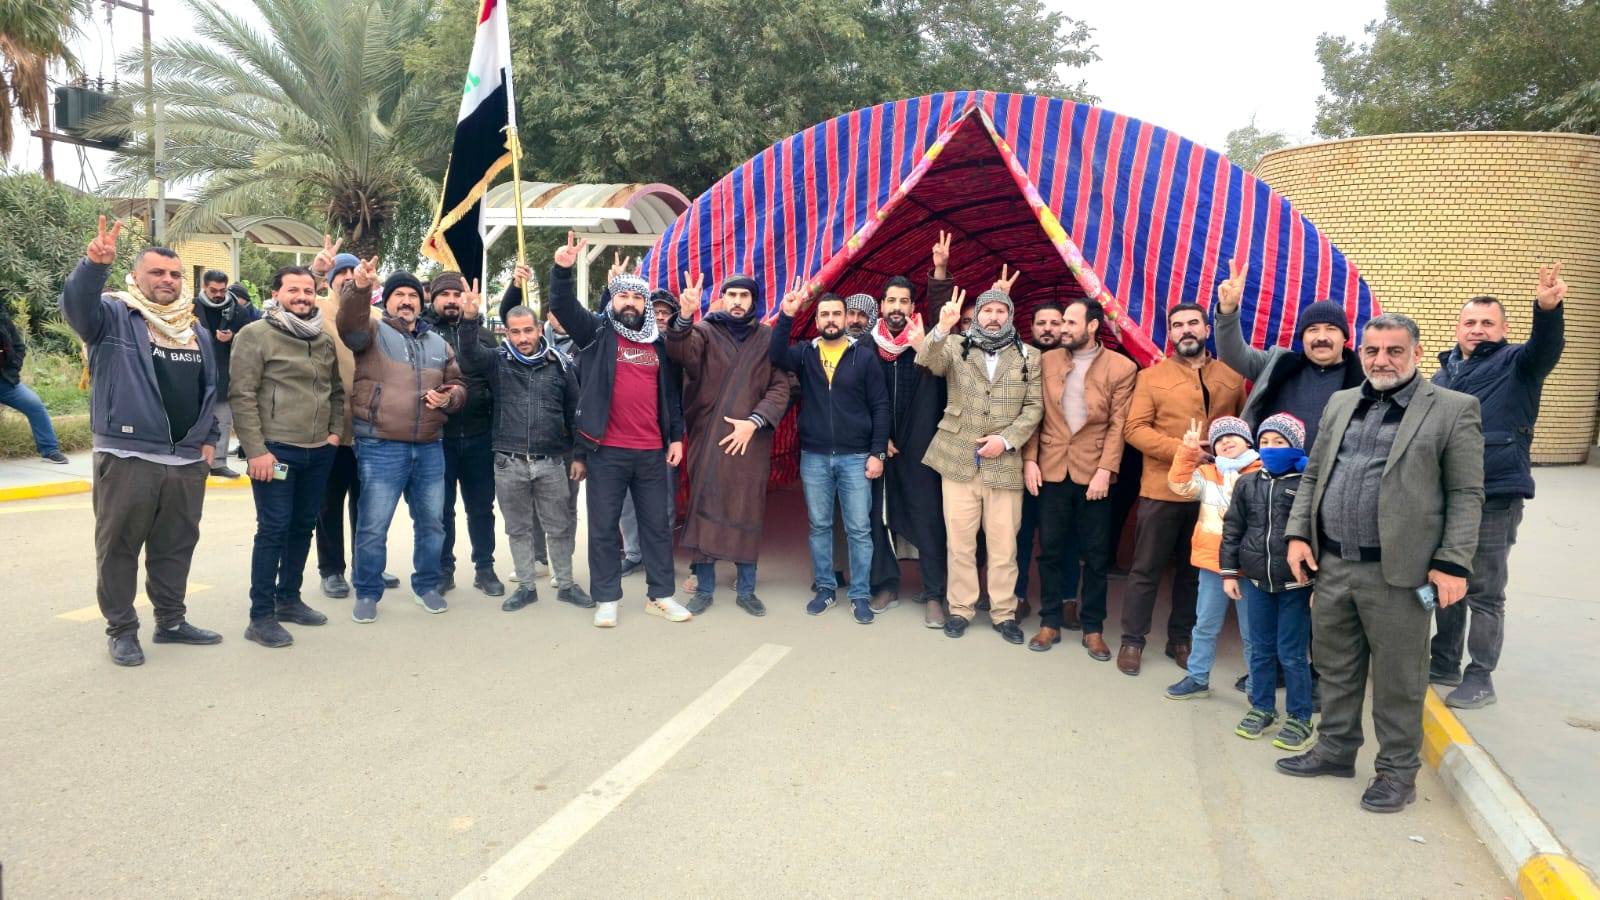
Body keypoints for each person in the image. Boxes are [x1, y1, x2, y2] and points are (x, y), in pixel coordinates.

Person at [1277, 312, 1483, 814]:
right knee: (1335, 666)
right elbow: (1315, 474)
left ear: (1416, 352)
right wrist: (1298, 534)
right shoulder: (1342, 401)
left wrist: (1453, 562)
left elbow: (1466, 492)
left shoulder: (1453, 409)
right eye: (1372, 351)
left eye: (1394, 351)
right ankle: (1335, 749)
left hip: (1401, 574)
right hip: (1332, 564)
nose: (1382, 360)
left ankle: (1396, 771)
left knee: (1399, 678)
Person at [60, 217, 224, 666]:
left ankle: (171, 622)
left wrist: (209, 439)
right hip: (127, 455)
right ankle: (122, 630)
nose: (167, 280)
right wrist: (94, 266)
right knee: (118, 548)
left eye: (174, 274)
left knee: (175, 547)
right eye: (157, 272)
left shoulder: (195, 331)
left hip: (185, 462)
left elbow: (208, 390)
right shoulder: (113, 315)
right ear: (136, 276)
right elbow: (75, 307)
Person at [1428, 266, 1566, 709]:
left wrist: (1547, 310)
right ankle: (1444, 661)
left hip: (1496, 494)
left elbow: (1546, 347)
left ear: (1504, 329)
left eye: (1488, 322)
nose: (1478, 329)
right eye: (1470, 322)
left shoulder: (1518, 364)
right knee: (1447, 580)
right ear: (1458, 328)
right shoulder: (1443, 375)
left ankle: (1480, 677)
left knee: (1484, 590)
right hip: (1447, 496)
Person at [547, 233, 689, 628]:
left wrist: (676, 437)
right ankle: (606, 597)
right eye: (623, 296)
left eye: (637, 298)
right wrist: (562, 269)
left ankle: (660, 595)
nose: (630, 303)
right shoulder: (596, 334)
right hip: (606, 451)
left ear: (645, 305)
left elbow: (670, 396)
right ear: (612, 301)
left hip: (651, 451)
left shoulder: (657, 344)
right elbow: (562, 305)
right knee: (604, 528)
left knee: (657, 527)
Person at [336, 255, 467, 623]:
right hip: (381, 445)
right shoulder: (371, 332)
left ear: (420, 302)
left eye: (412, 295)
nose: (406, 301)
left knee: (432, 523)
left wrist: (449, 398)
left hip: (430, 446)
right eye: (399, 295)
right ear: (387, 301)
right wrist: (360, 289)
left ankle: (426, 585)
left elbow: (458, 384)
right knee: (373, 525)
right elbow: (349, 324)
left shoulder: (438, 344)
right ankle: (367, 591)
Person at [1118, 302, 1245, 675]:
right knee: (1146, 569)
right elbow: (1134, 429)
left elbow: (1241, 427)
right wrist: (1183, 451)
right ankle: (1132, 640)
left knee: (1194, 572)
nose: (1185, 330)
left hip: (1212, 494)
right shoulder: (1151, 377)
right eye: (1177, 325)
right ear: (1170, 333)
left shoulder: (1231, 377)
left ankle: (1180, 639)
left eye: (1193, 323)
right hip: (1162, 489)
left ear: (1207, 329)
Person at [917, 280, 1044, 642]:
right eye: (987, 310)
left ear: (1010, 315)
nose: (993, 317)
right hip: (958, 459)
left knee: (1004, 545)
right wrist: (942, 327)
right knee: (960, 543)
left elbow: (1034, 407)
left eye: (1000, 310)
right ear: (976, 316)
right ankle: (960, 609)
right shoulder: (955, 345)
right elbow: (926, 360)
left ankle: (1004, 613)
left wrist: (1006, 440)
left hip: (1004, 464)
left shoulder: (1029, 355)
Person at [228, 265, 344, 648]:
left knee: (303, 526)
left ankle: (289, 599)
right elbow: (242, 395)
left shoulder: (322, 339)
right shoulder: (255, 334)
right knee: (273, 529)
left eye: (308, 290)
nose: (302, 297)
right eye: (293, 290)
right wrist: (255, 451)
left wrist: (334, 433)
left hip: (318, 452)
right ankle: (260, 616)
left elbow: (336, 391)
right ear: (276, 293)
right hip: (275, 452)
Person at [455, 284, 589, 612]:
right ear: (506, 333)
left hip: (552, 461)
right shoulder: (497, 362)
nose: (522, 338)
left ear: (539, 329)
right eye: (515, 332)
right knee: (517, 528)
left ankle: (566, 584)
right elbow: (469, 354)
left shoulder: (560, 364)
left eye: (528, 330)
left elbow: (575, 412)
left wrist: (579, 455)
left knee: (559, 526)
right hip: (509, 461)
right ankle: (526, 586)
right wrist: (469, 318)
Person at [665, 273, 792, 616]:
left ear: (754, 301)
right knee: (704, 507)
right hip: (708, 437)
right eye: (731, 294)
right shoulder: (704, 331)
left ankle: (746, 589)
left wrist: (754, 422)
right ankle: (704, 588)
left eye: (744, 295)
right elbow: (680, 352)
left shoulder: (767, 337)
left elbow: (782, 385)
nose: (737, 301)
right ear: (721, 298)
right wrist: (684, 316)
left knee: (747, 508)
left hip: (751, 440)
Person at [1023, 296, 1137, 658]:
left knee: (1096, 555)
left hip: (1094, 473)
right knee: (1050, 551)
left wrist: (1106, 470)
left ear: (1092, 326)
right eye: (1062, 322)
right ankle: (1050, 622)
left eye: (1070, 323)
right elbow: (1034, 414)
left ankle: (1093, 628)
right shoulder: (1046, 361)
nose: (1062, 329)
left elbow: (1119, 425)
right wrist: (1030, 460)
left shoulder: (1121, 367)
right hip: (1051, 468)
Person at [770, 286, 889, 623]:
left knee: (859, 529)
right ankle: (825, 588)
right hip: (815, 456)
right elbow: (775, 354)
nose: (832, 320)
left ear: (846, 318)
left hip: (856, 456)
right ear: (817, 320)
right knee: (819, 525)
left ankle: (860, 594)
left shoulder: (863, 356)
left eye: (837, 313)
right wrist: (787, 315)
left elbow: (880, 406)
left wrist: (877, 452)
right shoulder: (804, 354)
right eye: (825, 315)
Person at [866, 235, 952, 626]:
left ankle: (934, 593)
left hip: (922, 445)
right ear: (882, 306)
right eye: (891, 301)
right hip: (882, 444)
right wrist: (877, 437)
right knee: (879, 516)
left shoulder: (927, 343)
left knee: (927, 516)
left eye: (904, 301)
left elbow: (941, 314)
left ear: (912, 307)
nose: (897, 307)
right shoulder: (867, 347)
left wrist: (940, 271)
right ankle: (886, 584)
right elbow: (858, 398)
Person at [308, 243, 401, 597]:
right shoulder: (316, 310)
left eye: (353, 272)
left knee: (369, 505)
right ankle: (332, 570)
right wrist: (315, 271)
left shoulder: (378, 316)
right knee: (329, 503)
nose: (348, 278)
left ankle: (369, 565)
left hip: (370, 427)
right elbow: (279, 308)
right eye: (341, 273)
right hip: (331, 427)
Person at [1222, 413, 1316, 751]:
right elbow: (1233, 529)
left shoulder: (1308, 484)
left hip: (1296, 585)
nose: (1271, 448)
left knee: (1291, 654)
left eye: (1279, 442)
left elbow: (1319, 535)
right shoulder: (1247, 483)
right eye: (1265, 442)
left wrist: (1319, 583)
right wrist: (1229, 572)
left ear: (1296, 445)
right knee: (1260, 649)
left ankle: (1300, 717)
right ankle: (1262, 708)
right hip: (1257, 582)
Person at [1213, 258, 1363, 451]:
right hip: (1268, 468)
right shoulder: (1277, 363)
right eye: (1313, 330)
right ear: (1303, 337)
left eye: (1331, 329)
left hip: (1330, 470)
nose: (1321, 337)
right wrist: (1228, 310)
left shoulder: (1364, 382)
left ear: (1345, 338)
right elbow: (1231, 353)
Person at [1164, 416, 1260, 700]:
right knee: (1204, 624)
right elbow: (1179, 485)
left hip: (1249, 565)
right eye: (1219, 439)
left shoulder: (1263, 472)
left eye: (1233, 436)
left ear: (1248, 441)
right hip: (1212, 562)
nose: (1226, 441)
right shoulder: (1208, 474)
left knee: (1253, 632)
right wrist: (1188, 452)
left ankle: (1258, 688)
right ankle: (1197, 677)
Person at [423, 271, 503, 597]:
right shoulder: (423, 335)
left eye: (457, 294)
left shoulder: (484, 336)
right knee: (440, 511)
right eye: (445, 295)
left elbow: (496, 384)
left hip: (480, 436)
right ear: (433, 299)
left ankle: (485, 568)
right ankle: (444, 570)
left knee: (481, 508)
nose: (452, 300)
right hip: (437, 439)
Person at [1012, 299, 1064, 617]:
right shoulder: (1018, 358)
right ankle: (1017, 596)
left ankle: (1063, 601)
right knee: (1019, 533)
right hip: (1018, 460)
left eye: (1055, 323)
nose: (1047, 329)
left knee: (1060, 537)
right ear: (1030, 327)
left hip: (1062, 464)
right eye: (1041, 323)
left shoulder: (1076, 362)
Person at [192, 269, 248, 477]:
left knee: (223, 420)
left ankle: (218, 463)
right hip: (195, 372)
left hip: (224, 372)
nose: (218, 294)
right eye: (213, 290)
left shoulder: (237, 310)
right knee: (193, 419)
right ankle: (193, 460)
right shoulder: (190, 307)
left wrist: (233, 337)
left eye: (222, 290)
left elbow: (249, 337)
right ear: (204, 287)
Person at [0, 300, 68, 463]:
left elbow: (19, 347)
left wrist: (13, 368)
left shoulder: (3, 318)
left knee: (34, 405)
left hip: (6, 381)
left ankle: (49, 450)